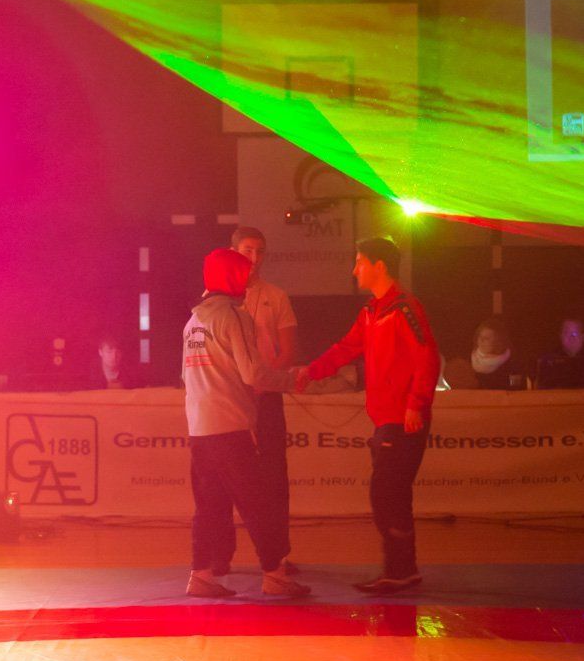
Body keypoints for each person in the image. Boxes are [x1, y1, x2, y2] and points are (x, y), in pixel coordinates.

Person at [296, 236, 439, 595]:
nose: (354, 270)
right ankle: (403, 569)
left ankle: (400, 569)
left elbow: (427, 357)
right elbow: (346, 348)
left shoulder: (405, 308)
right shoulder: (371, 312)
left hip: (401, 419)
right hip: (386, 418)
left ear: (379, 265)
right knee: (393, 494)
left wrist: (415, 404)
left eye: (359, 261)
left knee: (385, 494)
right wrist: (311, 371)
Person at [182, 248, 309, 600]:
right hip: (230, 427)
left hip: (199, 429)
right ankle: (275, 574)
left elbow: (187, 377)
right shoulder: (233, 317)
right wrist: (292, 379)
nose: (249, 281)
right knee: (259, 503)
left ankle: (201, 575)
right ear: (231, 276)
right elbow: (253, 373)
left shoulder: (192, 323)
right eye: (244, 273)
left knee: (209, 506)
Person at [209, 226, 298, 578]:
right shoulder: (216, 301)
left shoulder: (276, 296)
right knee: (221, 477)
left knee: (274, 476)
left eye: (260, 251)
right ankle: (219, 556)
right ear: (233, 252)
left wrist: (263, 384)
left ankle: (279, 556)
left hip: (266, 397)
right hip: (229, 400)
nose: (255, 258)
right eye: (248, 250)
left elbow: (287, 351)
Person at [535, 317, 584, 389]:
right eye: (566, 333)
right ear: (560, 335)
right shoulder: (549, 362)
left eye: (575, 334)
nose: (571, 338)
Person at [469, 318, 520, 390]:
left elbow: (515, 391)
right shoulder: (468, 360)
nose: (481, 340)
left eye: (486, 338)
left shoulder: (512, 364)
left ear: (498, 342)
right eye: (480, 336)